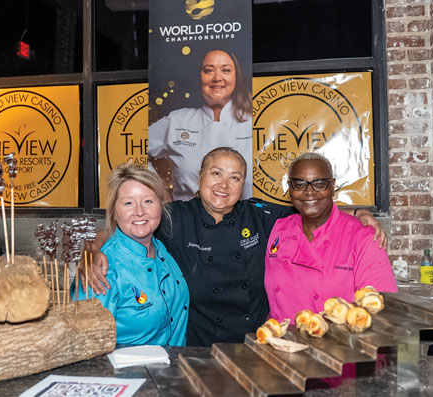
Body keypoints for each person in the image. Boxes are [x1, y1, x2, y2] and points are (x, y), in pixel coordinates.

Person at [89, 147, 387, 346]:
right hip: (199, 346)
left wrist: (359, 213)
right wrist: (93, 250)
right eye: (216, 173)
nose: (224, 184)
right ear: (201, 176)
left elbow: (310, 205)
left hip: (256, 343)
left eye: (235, 177)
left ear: (243, 185)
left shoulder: (260, 214)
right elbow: (128, 225)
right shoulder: (175, 217)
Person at [265, 153, 398, 321]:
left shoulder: (363, 237)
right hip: (279, 335)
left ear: (333, 186)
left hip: (335, 337)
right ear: (289, 187)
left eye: (319, 183)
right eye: (299, 184)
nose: (309, 191)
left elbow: (380, 310)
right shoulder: (279, 228)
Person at [72, 164, 189, 347]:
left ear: (161, 206)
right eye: (128, 203)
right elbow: (83, 344)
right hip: (125, 366)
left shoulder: (162, 249)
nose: (139, 211)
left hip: (175, 363)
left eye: (148, 201)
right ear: (114, 212)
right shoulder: (100, 268)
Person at [149, 48, 253, 201]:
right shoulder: (177, 120)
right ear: (199, 76)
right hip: (186, 214)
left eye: (225, 70)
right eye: (209, 70)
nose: (217, 78)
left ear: (237, 76)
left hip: (244, 215)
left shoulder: (253, 121)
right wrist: (158, 192)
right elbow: (136, 149)